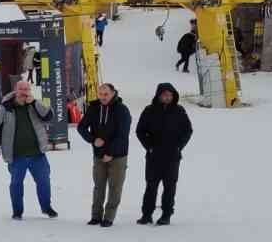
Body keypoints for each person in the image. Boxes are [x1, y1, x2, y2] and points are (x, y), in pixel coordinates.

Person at [0, 79, 57, 220]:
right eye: (21, 89)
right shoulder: (6, 107)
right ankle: (17, 211)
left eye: (26, 89)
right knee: (16, 184)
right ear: (16, 90)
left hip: (37, 154)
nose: (24, 92)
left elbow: (49, 117)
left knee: (44, 181)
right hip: (16, 155)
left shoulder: (35, 104)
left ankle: (46, 207)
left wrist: (34, 103)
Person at [135, 83, 193, 226]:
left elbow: (188, 130)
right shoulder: (149, 110)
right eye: (164, 94)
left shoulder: (179, 111)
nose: (167, 97)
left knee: (169, 186)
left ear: (173, 96)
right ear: (158, 95)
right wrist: (149, 147)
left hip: (172, 156)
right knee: (151, 186)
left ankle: (166, 214)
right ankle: (146, 214)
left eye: (169, 95)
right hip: (153, 156)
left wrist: (179, 147)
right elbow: (140, 131)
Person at [76, 83, 132, 228]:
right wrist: (93, 139)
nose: (103, 97)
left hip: (118, 156)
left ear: (113, 93)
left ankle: (109, 217)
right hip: (99, 156)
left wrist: (111, 153)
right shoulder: (94, 108)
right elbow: (81, 127)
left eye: (106, 94)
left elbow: (122, 135)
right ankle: (96, 216)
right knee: (98, 186)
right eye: (100, 94)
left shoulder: (122, 110)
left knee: (115, 187)